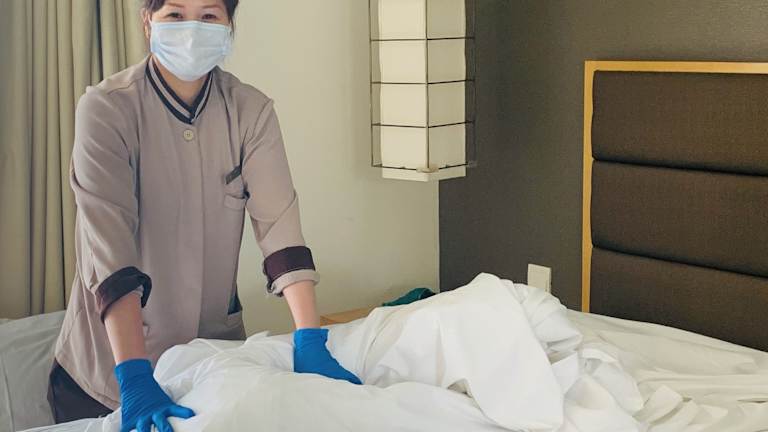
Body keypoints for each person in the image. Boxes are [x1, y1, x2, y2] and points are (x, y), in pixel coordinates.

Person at [47, 1, 360, 431]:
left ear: (229, 25)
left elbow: (280, 228)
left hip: (210, 361)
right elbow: (110, 250)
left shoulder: (250, 111)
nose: (192, 29)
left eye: (209, 15)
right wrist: (134, 376)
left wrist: (309, 337)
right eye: (175, 15)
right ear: (147, 22)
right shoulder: (106, 109)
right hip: (107, 375)